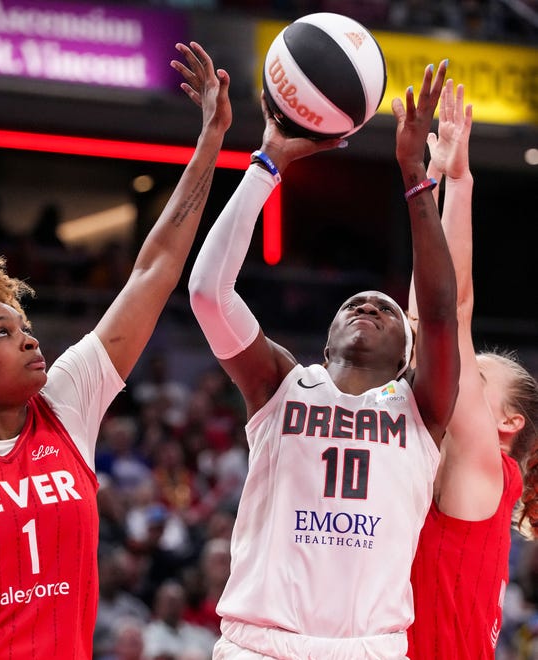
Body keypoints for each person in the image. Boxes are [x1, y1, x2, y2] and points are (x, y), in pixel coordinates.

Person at [0, 41, 231, 659]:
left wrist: (210, 143)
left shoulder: (68, 404)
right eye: (1, 334)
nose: (29, 336)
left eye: (24, 323)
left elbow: (153, 272)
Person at [188, 60, 459, 659]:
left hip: (368, 647)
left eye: (385, 308)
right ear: (327, 337)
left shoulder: (422, 409)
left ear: (408, 354)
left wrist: (416, 176)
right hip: (259, 645)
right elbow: (208, 292)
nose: (367, 305)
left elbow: (441, 315)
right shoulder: (281, 385)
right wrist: (268, 164)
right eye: (354, 304)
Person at [405, 80, 538, 659]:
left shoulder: (491, 470)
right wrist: (438, 183)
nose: (456, 376)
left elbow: (446, 315)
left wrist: (453, 183)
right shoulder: (442, 460)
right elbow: (422, 325)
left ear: (506, 424)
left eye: (475, 380)